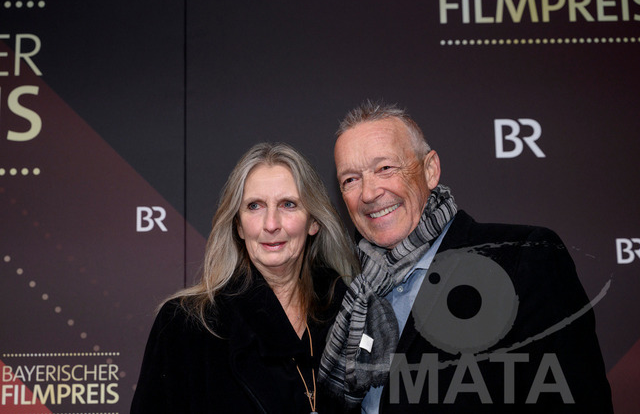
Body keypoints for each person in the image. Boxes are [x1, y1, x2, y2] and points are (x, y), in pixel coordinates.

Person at [319, 101, 613, 413]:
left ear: (430, 170)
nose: (368, 193)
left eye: (385, 168)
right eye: (350, 179)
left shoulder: (523, 259)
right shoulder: (347, 295)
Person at [131, 142, 360, 413]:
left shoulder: (353, 315)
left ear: (313, 222)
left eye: (288, 204)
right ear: (238, 225)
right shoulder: (184, 326)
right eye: (254, 206)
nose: (271, 224)